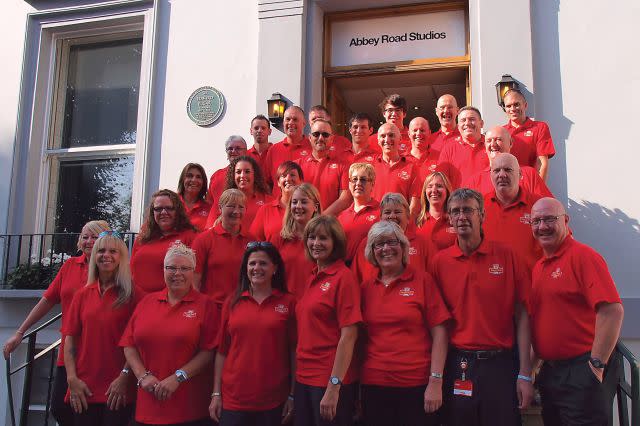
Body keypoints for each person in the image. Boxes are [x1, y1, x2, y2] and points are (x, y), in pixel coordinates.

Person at [429, 188, 534, 426]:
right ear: (449, 218)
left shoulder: (507, 256)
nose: (461, 216)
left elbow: (523, 315)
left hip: (501, 365)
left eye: (468, 210)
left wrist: (525, 373)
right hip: (458, 365)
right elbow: (438, 326)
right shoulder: (439, 263)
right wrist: (435, 377)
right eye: (455, 211)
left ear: (482, 216)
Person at [3, 220, 110, 426]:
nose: (89, 241)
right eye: (85, 236)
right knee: (60, 408)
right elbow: (48, 299)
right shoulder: (70, 266)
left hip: (97, 350)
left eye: (94, 236)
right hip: (69, 348)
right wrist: (20, 331)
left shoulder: (111, 269)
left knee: (88, 410)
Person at [529, 198, 623, 425]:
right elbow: (543, 322)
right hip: (552, 373)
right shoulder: (539, 267)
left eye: (550, 219)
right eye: (536, 221)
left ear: (566, 221)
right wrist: (530, 369)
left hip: (581, 370)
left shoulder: (583, 257)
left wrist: (596, 366)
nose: (543, 226)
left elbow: (611, 311)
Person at [360, 221, 451, 426]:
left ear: (403, 247)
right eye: (379, 244)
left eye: (392, 242)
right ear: (372, 252)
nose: (386, 249)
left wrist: (436, 381)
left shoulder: (422, 281)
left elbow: (441, 332)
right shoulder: (365, 288)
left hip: (416, 385)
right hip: (374, 384)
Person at [121, 242, 219, 426]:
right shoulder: (147, 302)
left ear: (193, 271)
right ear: (163, 270)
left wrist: (178, 377)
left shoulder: (206, 305)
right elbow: (129, 344)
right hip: (146, 407)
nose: (177, 273)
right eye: (171, 268)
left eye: (184, 268)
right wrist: (143, 376)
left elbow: (209, 351)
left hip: (188, 408)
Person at [210, 242, 297, 426]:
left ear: (275, 268)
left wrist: (292, 394)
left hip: (274, 400)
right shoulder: (232, 302)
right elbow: (222, 352)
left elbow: (293, 351)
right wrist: (216, 393)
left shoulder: (289, 303)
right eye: (252, 264)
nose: (257, 268)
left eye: (263, 263)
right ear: (245, 269)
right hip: (234, 399)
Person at [63, 232, 138, 425]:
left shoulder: (134, 296)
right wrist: (71, 379)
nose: (106, 255)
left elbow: (138, 343)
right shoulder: (82, 295)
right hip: (84, 386)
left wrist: (124, 377)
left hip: (118, 388)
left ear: (121, 257)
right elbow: (70, 339)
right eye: (101, 251)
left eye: (113, 251)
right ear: (94, 255)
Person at [295, 215, 361, 426]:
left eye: (323, 238)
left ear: (336, 242)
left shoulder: (344, 277)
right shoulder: (312, 277)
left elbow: (349, 335)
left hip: (328, 379)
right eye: (312, 237)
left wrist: (334, 385)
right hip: (304, 377)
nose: (316, 243)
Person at [351, 193, 432, 283]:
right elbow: (354, 280)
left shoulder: (423, 243)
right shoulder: (367, 244)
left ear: (408, 217)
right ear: (381, 217)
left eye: (397, 212)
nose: (392, 216)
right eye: (387, 212)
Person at [482, 153, 543, 271]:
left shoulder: (539, 206)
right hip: (490, 283)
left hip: (529, 284)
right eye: (496, 170)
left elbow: (560, 243)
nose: (502, 175)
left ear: (520, 174)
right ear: (490, 175)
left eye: (508, 170)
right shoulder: (478, 206)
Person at [130, 189, 197, 294]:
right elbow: (131, 270)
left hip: (168, 303)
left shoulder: (190, 236)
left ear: (178, 210)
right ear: (153, 212)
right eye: (158, 209)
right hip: (137, 302)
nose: (163, 212)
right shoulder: (144, 235)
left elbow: (194, 276)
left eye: (169, 208)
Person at [193, 189, 253, 308]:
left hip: (243, 308)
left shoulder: (252, 241)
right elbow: (194, 282)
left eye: (241, 207)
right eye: (231, 206)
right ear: (220, 208)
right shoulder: (204, 240)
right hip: (212, 309)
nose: (236, 211)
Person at [462, 126, 552, 197]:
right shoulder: (475, 181)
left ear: (510, 143)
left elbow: (548, 209)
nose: (493, 144)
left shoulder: (529, 175)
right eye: (489, 141)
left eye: (498, 139)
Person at [272, 183, 321, 300]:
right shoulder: (279, 239)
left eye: (304, 202)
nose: (298, 206)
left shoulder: (324, 241)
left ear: (316, 207)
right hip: (283, 306)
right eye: (294, 202)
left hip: (313, 306)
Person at [297, 118, 351, 216]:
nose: (320, 138)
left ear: (332, 138)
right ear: (309, 137)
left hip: (329, 226)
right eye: (316, 134)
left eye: (325, 135)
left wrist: (321, 219)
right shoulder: (297, 165)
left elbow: (345, 199)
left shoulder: (343, 165)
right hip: (302, 225)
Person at [207, 155, 272, 231]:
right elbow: (210, 230)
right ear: (233, 175)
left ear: (255, 174)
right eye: (238, 172)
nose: (242, 176)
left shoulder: (268, 201)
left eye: (247, 171)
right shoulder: (223, 201)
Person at [502, 89, 555, 180]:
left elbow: (541, 162)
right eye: (508, 106)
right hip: (508, 185)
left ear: (525, 105)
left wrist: (538, 190)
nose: (512, 109)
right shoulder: (502, 131)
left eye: (516, 104)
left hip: (530, 184)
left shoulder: (539, 127)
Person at [372, 123, 421, 218]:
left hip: (400, 226)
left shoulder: (411, 167)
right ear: (378, 140)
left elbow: (414, 203)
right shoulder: (371, 166)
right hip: (375, 226)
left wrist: (404, 225)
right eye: (383, 136)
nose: (387, 139)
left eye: (391, 135)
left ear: (400, 139)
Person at [250, 161, 303, 242]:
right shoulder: (265, 210)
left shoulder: (308, 209)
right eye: (284, 176)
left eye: (292, 175)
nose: (288, 179)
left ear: (301, 181)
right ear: (278, 182)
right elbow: (254, 241)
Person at [437, 106, 489, 189]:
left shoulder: (491, 145)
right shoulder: (449, 149)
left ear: (481, 123)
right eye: (463, 120)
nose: (467, 123)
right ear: (458, 126)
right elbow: (441, 181)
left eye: (472, 119)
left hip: (487, 200)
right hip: (458, 201)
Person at [337, 163, 380, 263]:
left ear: (372, 184)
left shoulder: (381, 212)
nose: (358, 183)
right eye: (354, 179)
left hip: (370, 270)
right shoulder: (342, 216)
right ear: (349, 183)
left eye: (363, 179)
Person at [263, 106, 312, 187]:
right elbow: (266, 182)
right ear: (283, 122)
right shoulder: (273, 150)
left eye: (295, 119)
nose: (291, 123)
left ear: (304, 123)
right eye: (288, 119)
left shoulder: (312, 148)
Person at [415, 172, 457, 251]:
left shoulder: (455, 222)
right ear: (425, 192)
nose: (434, 190)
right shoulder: (417, 223)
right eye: (430, 186)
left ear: (447, 191)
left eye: (439, 186)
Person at [208, 135, 248, 206]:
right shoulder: (216, 175)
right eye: (230, 148)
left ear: (245, 151)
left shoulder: (251, 175)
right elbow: (208, 202)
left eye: (238, 148)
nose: (233, 151)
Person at [177, 163, 212, 231]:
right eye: (189, 176)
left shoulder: (209, 208)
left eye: (198, 177)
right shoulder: (171, 203)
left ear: (203, 182)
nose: (194, 180)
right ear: (183, 179)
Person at [408, 116, 438, 181]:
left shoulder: (440, 158)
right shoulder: (401, 159)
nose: (418, 133)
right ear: (409, 134)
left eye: (422, 130)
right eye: (415, 130)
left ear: (430, 133)